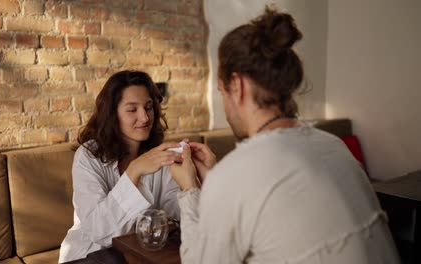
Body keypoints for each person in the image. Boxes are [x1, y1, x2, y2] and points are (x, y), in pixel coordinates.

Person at [169, 6, 401, 264]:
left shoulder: (235, 175)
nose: (224, 105)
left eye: (222, 92)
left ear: (237, 85)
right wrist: (214, 179)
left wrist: (190, 190)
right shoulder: (334, 146)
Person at [59, 70, 183, 263]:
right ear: (112, 114)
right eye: (132, 110)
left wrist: (194, 179)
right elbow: (98, 231)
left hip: (138, 254)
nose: (144, 118)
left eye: (148, 107)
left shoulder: (158, 155)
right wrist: (134, 171)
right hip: (90, 255)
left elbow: (175, 211)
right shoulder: (88, 155)